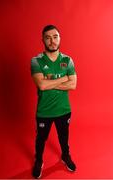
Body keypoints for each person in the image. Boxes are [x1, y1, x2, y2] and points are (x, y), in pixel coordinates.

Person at [31, 25, 77, 178]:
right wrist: (64, 78)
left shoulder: (67, 60)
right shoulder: (36, 61)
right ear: (43, 40)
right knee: (41, 139)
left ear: (60, 38)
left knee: (64, 137)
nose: (52, 41)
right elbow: (42, 85)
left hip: (64, 109)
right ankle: (38, 160)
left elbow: (73, 84)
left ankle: (65, 155)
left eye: (55, 36)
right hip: (44, 111)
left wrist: (50, 80)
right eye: (48, 37)